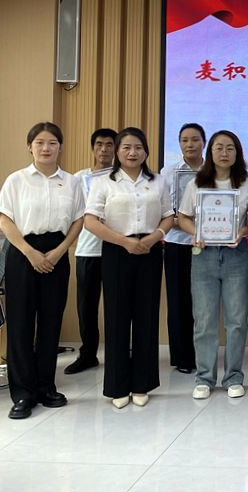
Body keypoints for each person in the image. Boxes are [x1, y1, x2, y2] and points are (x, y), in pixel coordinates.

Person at [0, 122, 85, 419]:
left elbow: (78, 220)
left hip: (57, 253)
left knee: (50, 322)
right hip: (23, 253)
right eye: (40, 143)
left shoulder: (71, 182)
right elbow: (5, 220)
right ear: (29, 147)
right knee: (21, 324)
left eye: (52, 143)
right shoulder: (16, 180)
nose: (46, 148)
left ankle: (46, 386)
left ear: (61, 147)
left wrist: (60, 251)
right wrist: (30, 252)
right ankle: (22, 393)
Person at [85, 127, 175, 409]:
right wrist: (124, 242)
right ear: (117, 151)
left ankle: (142, 383)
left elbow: (169, 216)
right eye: (126, 147)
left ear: (146, 151)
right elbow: (91, 221)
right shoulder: (104, 182)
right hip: (116, 251)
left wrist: (153, 238)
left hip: (149, 250)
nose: (132, 152)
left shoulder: (158, 181)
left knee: (146, 316)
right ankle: (117, 385)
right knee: (117, 317)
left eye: (138, 147)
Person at [177, 131, 248, 400]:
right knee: (204, 321)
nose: (224, 153)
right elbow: (183, 218)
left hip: (236, 255)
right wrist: (196, 232)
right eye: (219, 147)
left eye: (230, 148)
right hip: (204, 255)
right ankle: (204, 378)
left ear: (238, 153)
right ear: (210, 151)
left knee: (237, 321)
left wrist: (242, 232)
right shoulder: (197, 183)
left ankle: (234, 377)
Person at [65, 127, 116, 375]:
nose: (104, 149)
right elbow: (72, 213)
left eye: (109, 145)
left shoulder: (121, 178)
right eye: (99, 144)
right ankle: (88, 355)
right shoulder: (79, 178)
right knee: (86, 307)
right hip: (87, 250)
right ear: (93, 148)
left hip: (116, 249)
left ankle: (118, 354)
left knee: (117, 305)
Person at [160, 122, 206, 374]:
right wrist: (181, 221)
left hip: (207, 244)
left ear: (204, 143)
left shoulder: (212, 171)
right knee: (178, 302)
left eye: (195, 139)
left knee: (204, 303)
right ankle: (182, 357)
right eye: (185, 140)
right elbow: (165, 209)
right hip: (177, 243)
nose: (190, 144)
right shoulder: (168, 172)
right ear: (179, 144)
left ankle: (204, 354)